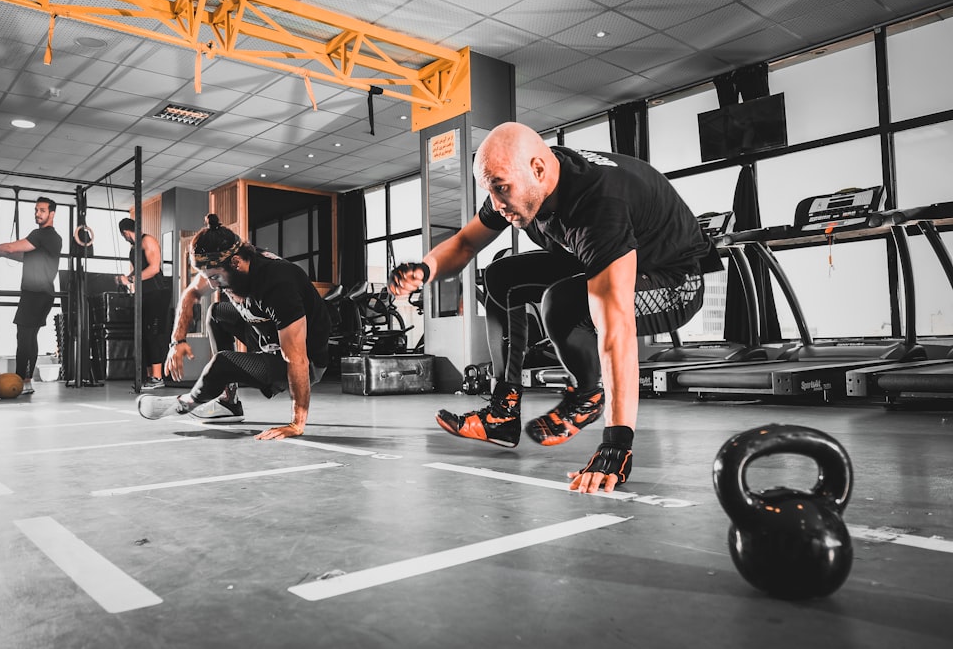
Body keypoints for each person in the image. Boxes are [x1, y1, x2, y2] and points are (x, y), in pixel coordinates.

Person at [389, 122, 715, 494]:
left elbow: (616, 329)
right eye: (490, 190)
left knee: (561, 304)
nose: (496, 203)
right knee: (500, 277)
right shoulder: (521, 176)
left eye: (500, 189)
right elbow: (464, 244)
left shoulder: (598, 207)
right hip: (614, 255)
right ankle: (502, 413)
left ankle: (588, 394)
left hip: (674, 282)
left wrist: (616, 443)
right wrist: (425, 268)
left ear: (538, 170)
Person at [136, 214, 332, 440]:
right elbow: (191, 294)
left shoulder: (279, 286)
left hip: (305, 363)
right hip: (267, 336)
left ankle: (186, 403)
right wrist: (177, 341)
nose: (212, 284)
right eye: (207, 277)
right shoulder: (227, 260)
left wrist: (297, 423)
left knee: (223, 362)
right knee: (217, 313)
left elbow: (297, 359)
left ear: (237, 263)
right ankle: (229, 403)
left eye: (216, 277)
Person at [0, 196, 63, 396]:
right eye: (36, 210)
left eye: (42, 210)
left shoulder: (42, 234)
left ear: (52, 214)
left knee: (24, 337)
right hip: (41, 294)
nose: (37, 214)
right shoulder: (50, 239)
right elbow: (21, 255)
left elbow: (12, 247)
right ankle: (27, 381)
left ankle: (21, 381)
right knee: (29, 337)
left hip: (36, 294)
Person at [115, 218, 172, 390]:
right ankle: (150, 376)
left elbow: (154, 268)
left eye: (125, 235)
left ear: (126, 232)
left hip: (157, 293)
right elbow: (136, 271)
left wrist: (130, 278)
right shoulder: (133, 248)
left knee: (153, 334)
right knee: (144, 335)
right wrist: (126, 280)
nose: (125, 238)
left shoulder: (148, 240)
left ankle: (157, 377)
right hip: (144, 294)